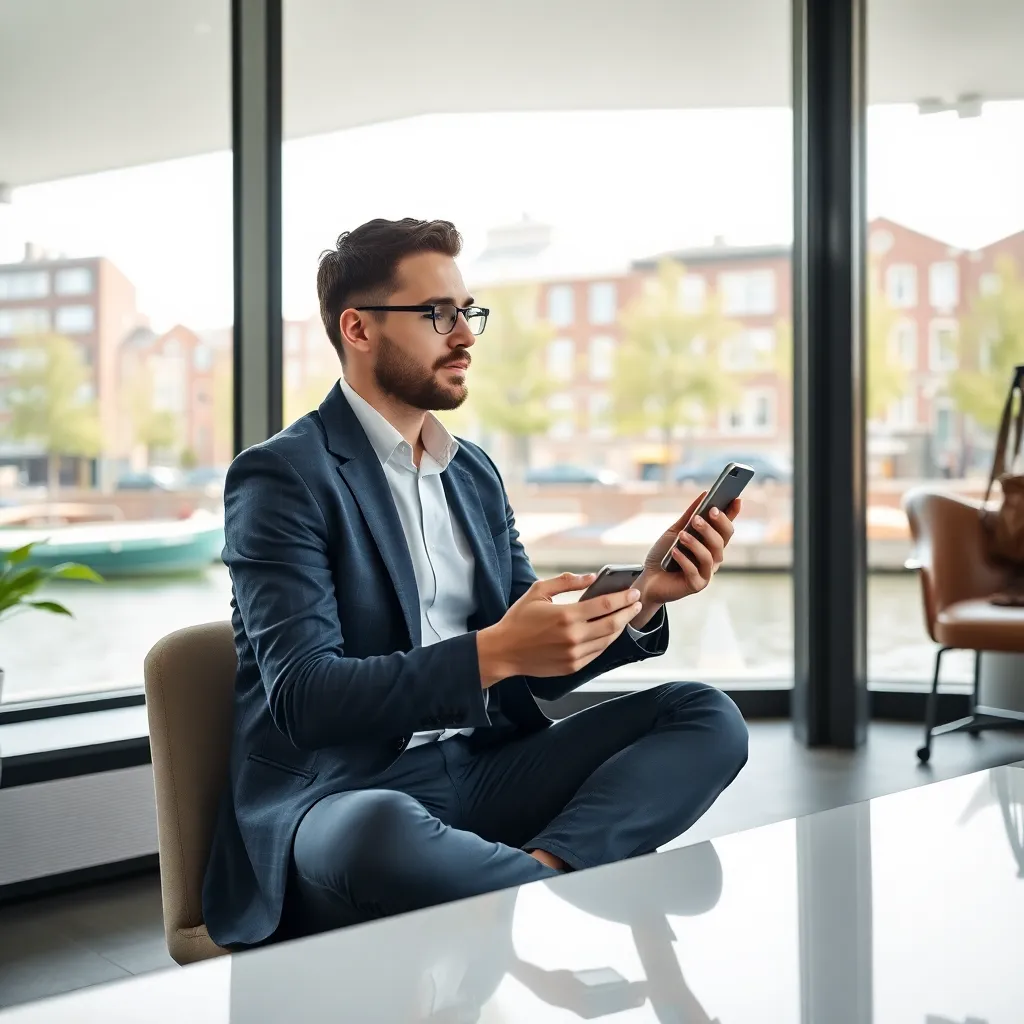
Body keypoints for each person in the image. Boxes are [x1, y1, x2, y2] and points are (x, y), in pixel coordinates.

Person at [201, 218, 749, 950]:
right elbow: (306, 698)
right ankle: (579, 874)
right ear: (358, 329)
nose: (464, 335)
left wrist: (643, 597)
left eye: (467, 313)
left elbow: (534, 674)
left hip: (485, 769)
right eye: (438, 315)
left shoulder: (474, 473)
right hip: (344, 795)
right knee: (380, 833)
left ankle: (536, 873)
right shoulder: (282, 477)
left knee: (705, 715)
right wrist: (493, 652)